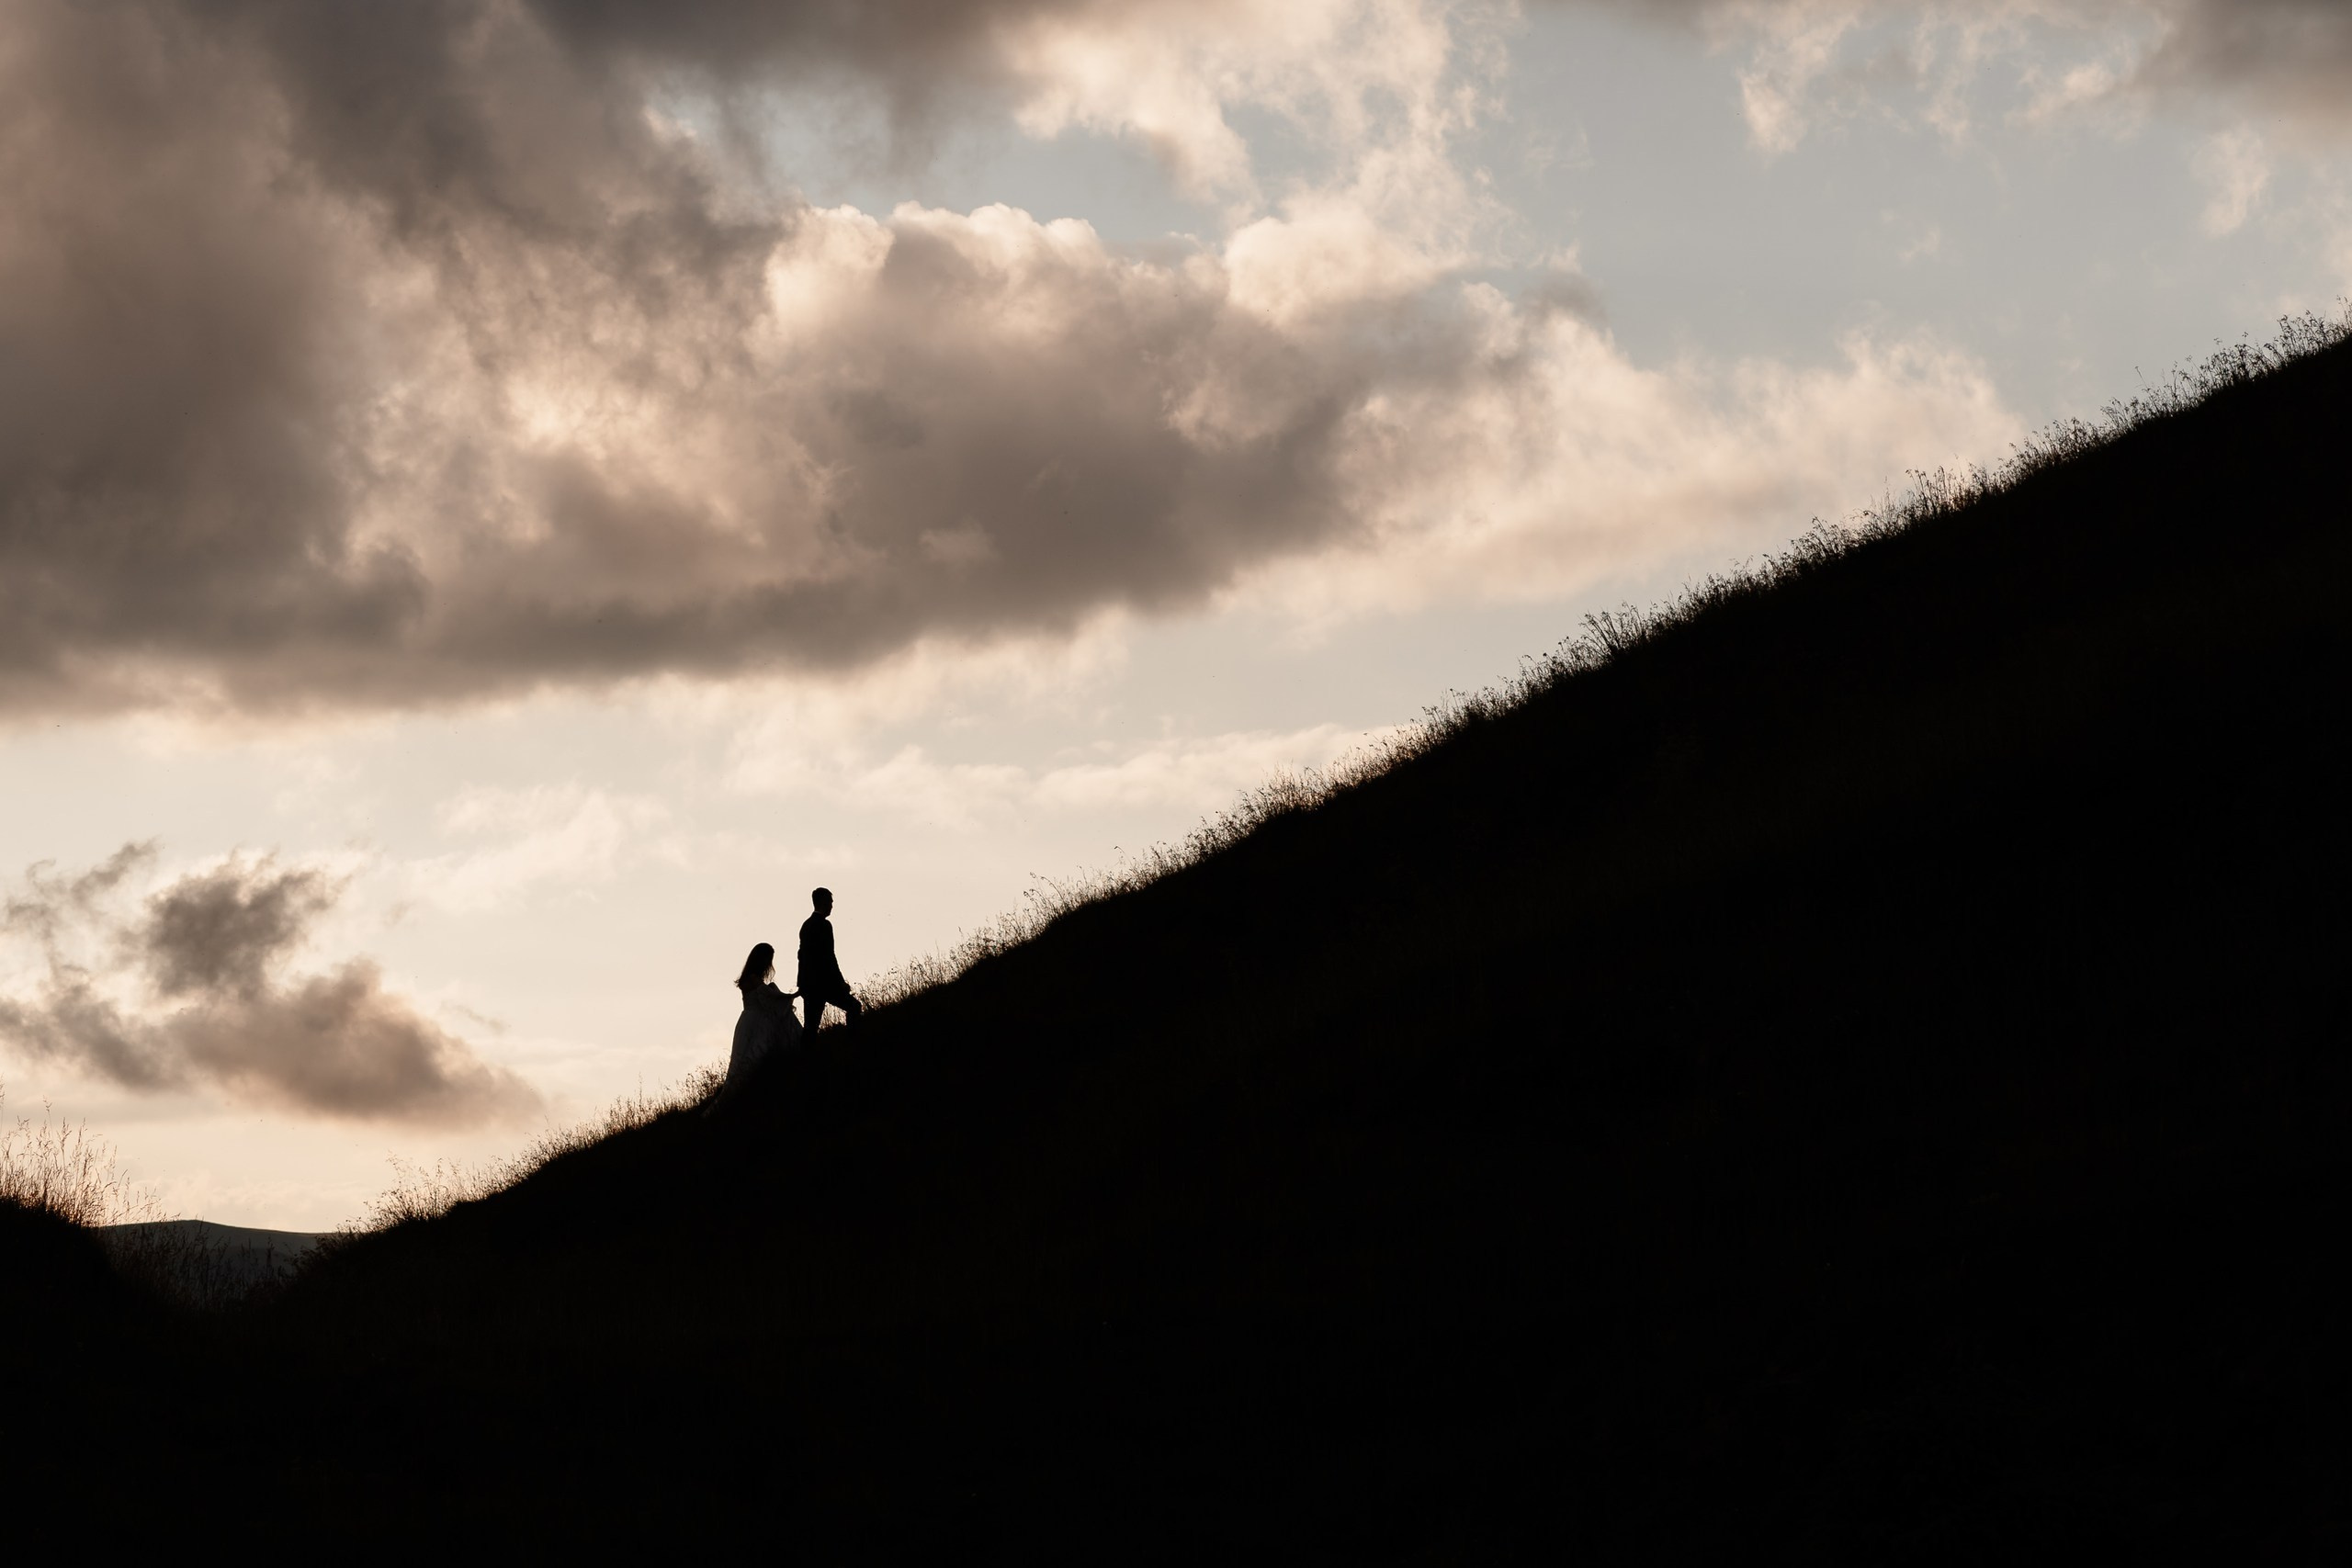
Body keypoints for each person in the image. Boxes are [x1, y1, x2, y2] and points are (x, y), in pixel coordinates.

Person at [704, 942, 800, 1116]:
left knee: (745, 1061)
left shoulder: (749, 978)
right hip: (755, 1022)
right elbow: (770, 997)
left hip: (749, 1021)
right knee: (750, 1059)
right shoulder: (754, 979)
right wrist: (792, 996)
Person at [797, 886, 864, 1035]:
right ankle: (853, 1042)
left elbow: (802, 956)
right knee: (854, 1007)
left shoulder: (806, 925)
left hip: (809, 984)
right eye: (831, 902)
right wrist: (840, 982)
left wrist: (802, 983)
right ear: (824, 902)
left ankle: (805, 1057)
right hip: (824, 984)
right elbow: (828, 956)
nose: (832, 906)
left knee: (810, 1028)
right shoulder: (824, 925)